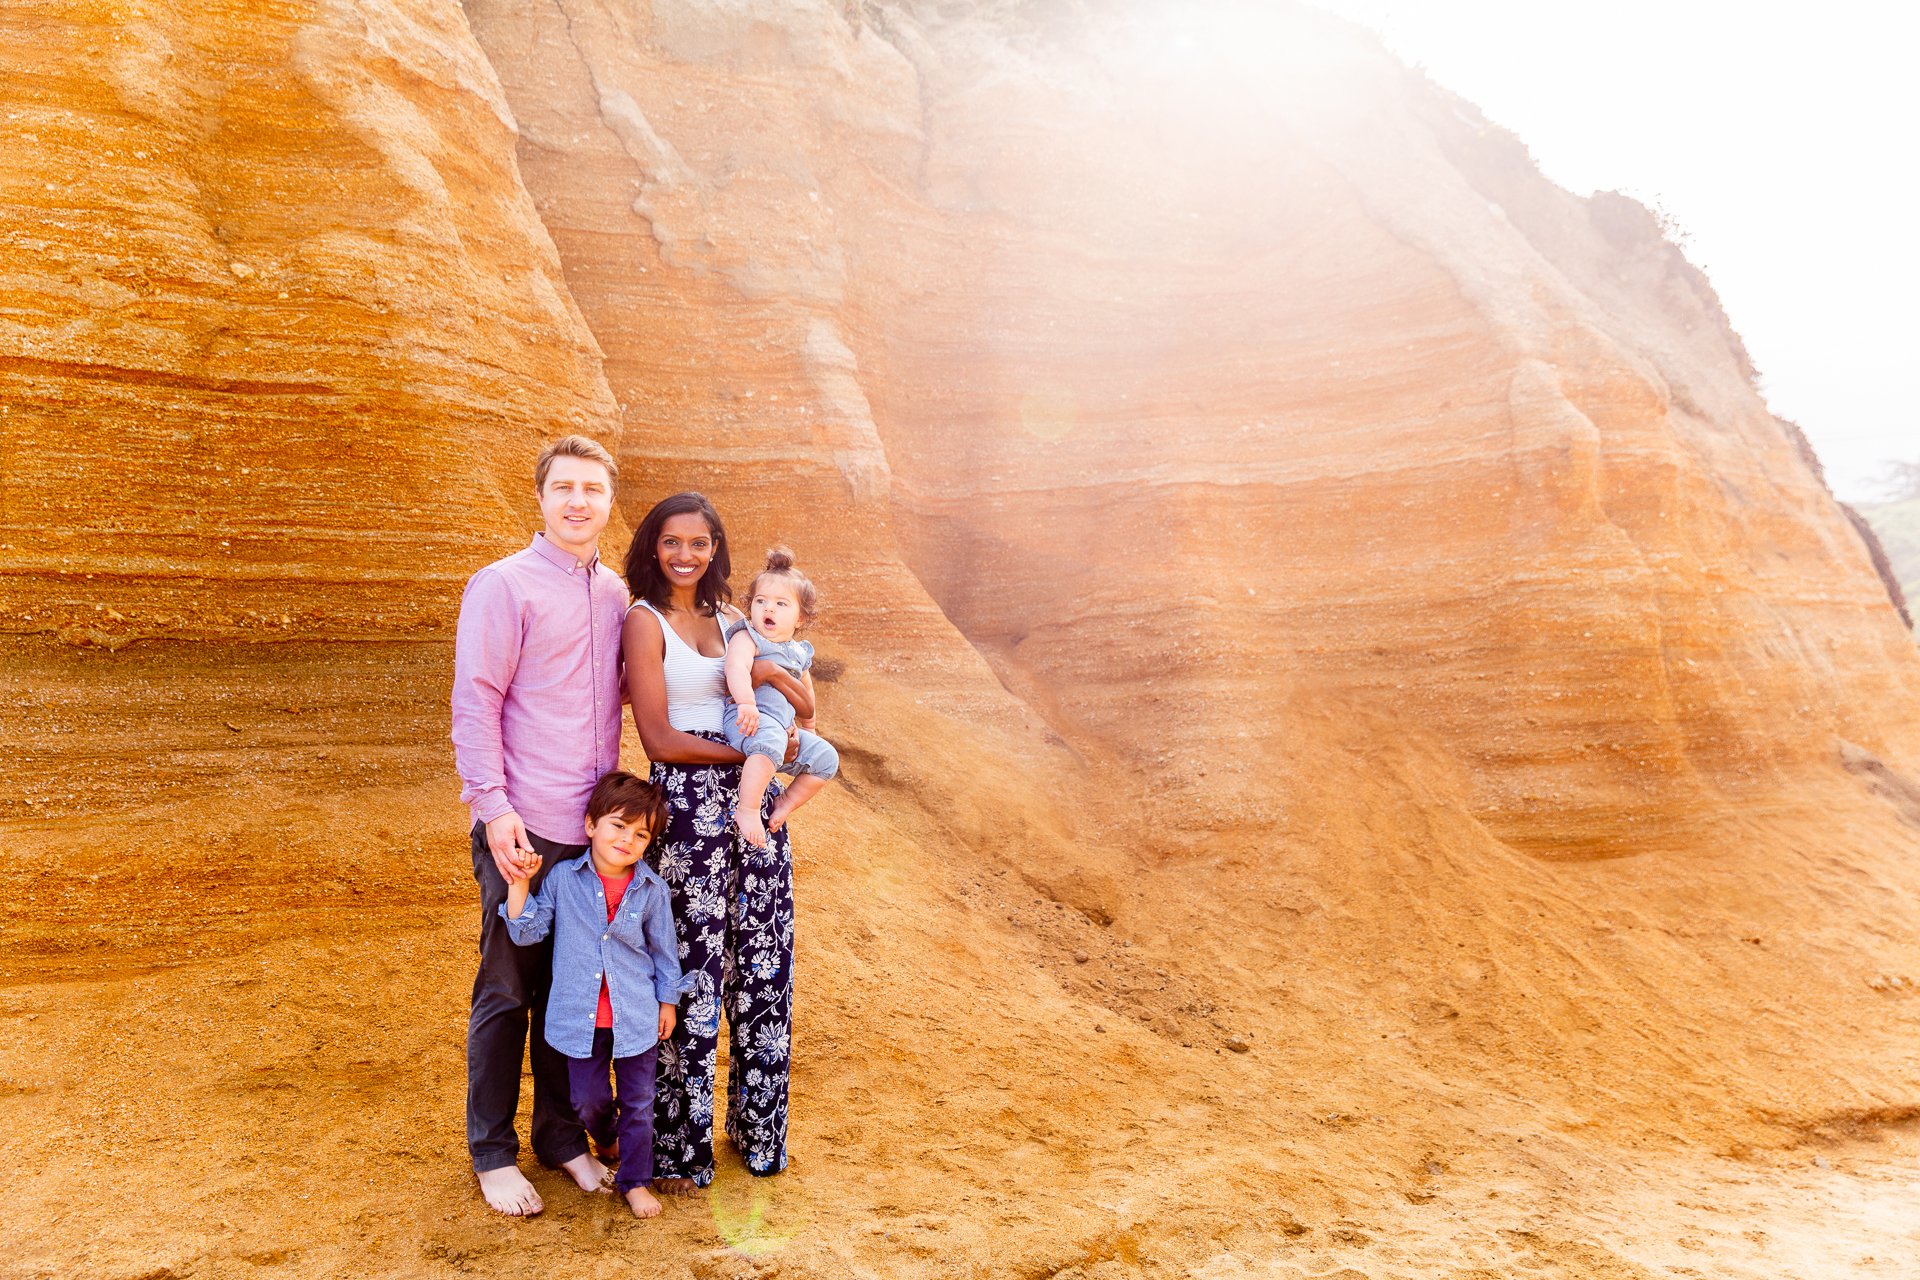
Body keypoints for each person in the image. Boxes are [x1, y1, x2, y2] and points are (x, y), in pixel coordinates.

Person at [450, 435, 626, 1216]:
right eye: (564, 487)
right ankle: (492, 1152)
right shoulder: (503, 585)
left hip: (591, 838)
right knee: (507, 990)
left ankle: (559, 1138)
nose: (578, 501)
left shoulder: (616, 595)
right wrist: (493, 811)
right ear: (541, 497)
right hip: (524, 832)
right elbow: (476, 700)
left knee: (569, 993)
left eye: (592, 488)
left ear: (608, 502)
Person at [620, 492, 807, 1187]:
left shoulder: (737, 619)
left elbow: (795, 700)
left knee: (764, 969)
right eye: (672, 541)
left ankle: (760, 1135)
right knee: (691, 972)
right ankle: (679, 1147)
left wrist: (784, 735)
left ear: (717, 548)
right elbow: (658, 738)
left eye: (699, 543)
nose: (686, 555)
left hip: (755, 810)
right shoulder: (643, 621)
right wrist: (747, 753)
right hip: (688, 809)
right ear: (654, 547)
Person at [501, 770, 689, 1220]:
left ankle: (635, 1181)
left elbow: (665, 952)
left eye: (640, 834)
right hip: (578, 1019)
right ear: (591, 825)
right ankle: (605, 1138)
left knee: (640, 1104)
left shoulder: (651, 890)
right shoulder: (565, 879)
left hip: (636, 1018)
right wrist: (520, 883)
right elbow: (530, 931)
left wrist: (667, 1002)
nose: (627, 839)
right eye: (618, 826)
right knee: (587, 1101)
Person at [723, 546, 839, 848]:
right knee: (771, 740)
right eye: (760, 601)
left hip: (781, 728)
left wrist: (808, 731)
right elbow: (735, 666)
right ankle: (747, 809)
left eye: (780, 604)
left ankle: (785, 802)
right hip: (747, 720)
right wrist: (747, 702)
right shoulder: (748, 637)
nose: (768, 609)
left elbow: (806, 695)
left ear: (801, 618)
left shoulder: (799, 652)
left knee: (827, 758)